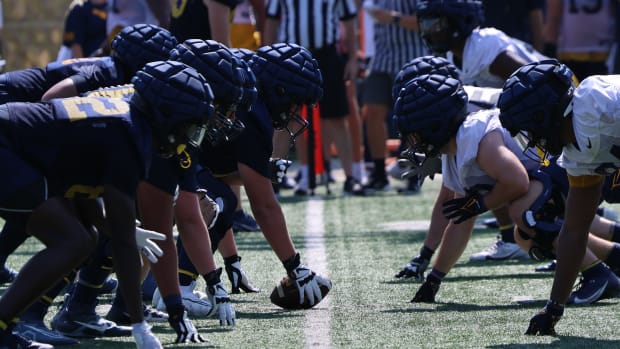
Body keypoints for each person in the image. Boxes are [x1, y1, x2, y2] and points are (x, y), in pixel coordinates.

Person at [0, 59, 215, 349]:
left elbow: (82, 191)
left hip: (14, 147)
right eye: (189, 126)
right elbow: (123, 241)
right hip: (7, 147)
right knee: (73, 241)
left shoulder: (125, 119)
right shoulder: (129, 136)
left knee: (84, 238)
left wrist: (119, 229)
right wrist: (139, 325)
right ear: (166, 114)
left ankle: (7, 326)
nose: (190, 137)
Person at [393, 72, 620, 307]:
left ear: (434, 125)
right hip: (552, 175)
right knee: (525, 238)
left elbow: (517, 181)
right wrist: (434, 278)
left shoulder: (476, 137)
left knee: (526, 213)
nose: (412, 144)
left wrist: (480, 204)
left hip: (567, 162)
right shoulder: (456, 156)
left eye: (414, 135)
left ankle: (597, 274)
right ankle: (613, 256)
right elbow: (459, 222)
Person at [199, 42, 332, 309]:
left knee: (217, 199)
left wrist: (232, 260)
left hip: (163, 152)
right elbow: (264, 206)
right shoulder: (252, 113)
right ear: (279, 91)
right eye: (296, 103)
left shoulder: (250, 74)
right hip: (154, 156)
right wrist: (295, 267)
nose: (296, 113)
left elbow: (221, 177)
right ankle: (180, 285)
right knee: (213, 203)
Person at [416, 0, 549, 261]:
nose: (428, 30)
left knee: (493, 163)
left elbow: (535, 84)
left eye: (435, 23)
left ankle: (568, 239)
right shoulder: (457, 54)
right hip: (537, 115)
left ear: (458, 22)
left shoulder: (482, 48)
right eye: (425, 23)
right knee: (481, 168)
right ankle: (513, 237)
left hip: (552, 109)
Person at [496, 59, 620, 335]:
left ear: (544, 117)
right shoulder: (577, 152)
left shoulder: (600, 105)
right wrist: (554, 308)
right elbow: (574, 231)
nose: (530, 140)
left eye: (529, 130)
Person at [264, 0, 365, 196]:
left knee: (337, 117)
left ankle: (351, 176)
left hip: (327, 55)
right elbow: (271, 21)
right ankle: (290, 175)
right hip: (290, 57)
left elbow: (349, 19)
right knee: (287, 118)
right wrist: (269, 57)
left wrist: (353, 58)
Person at [360, 0, 428, 194]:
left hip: (411, 59)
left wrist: (394, 18)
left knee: (412, 117)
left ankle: (413, 174)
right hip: (381, 59)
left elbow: (426, 21)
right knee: (372, 112)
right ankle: (379, 174)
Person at [543, 0, 616, 81]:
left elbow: (554, 17)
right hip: (575, 53)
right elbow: (554, 16)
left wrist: (550, 46)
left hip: (601, 54)